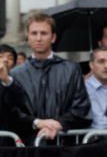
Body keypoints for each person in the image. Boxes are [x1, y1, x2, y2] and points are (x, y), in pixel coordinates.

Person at [11, 12, 92, 143]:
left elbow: (81, 107)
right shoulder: (16, 74)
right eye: (34, 33)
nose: (38, 38)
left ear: (53, 37)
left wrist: (58, 124)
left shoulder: (71, 69)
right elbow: (13, 112)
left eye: (43, 33)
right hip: (30, 146)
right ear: (28, 37)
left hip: (66, 144)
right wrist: (38, 123)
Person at [85, 47, 107, 130]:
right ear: (91, 65)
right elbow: (99, 123)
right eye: (101, 62)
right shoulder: (85, 88)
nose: (106, 66)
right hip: (97, 140)